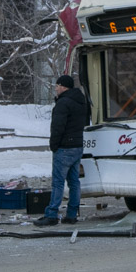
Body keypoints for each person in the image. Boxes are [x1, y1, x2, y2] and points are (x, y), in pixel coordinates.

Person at [34, 74, 88, 226]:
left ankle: (51, 214)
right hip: (77, 146)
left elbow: (58, 127)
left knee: (58, 183)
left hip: (64, 147)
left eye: (57, 86)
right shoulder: (81, 101)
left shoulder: (63, 103)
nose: (56, 88)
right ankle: (71, 214)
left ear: (64, 87)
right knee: (74, 182)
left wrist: (54, 145)